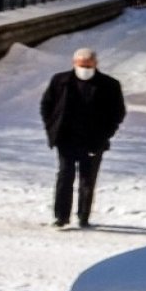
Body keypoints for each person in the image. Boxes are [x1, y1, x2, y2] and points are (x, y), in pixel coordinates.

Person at [40, 48, 126, 229]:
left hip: (94, 140)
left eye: (88, 66)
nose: (85, 69)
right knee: (65, 176)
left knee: (88, 179)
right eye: (81, 65)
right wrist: (52, 127)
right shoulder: (60, 81)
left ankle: (83, 216)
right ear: (74, 64)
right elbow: (47, 105)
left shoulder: (109, 85)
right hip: (66, 139)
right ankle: (61, 216)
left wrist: (106, 134)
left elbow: (117, 112)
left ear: (95, 64)